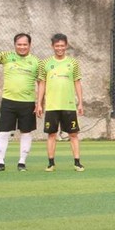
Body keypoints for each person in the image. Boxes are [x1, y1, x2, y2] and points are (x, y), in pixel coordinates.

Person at [0, 34, 40, 172]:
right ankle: (0, 162)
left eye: (25, 44)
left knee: (26, 132)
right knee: (4, 132)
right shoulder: (7, 56)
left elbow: (41, 83)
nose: (22, 47)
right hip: (8, 101)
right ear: (15, 45)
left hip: (28, 102)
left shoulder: (37, 62)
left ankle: (22, 162)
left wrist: (40, 103)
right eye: (19, 44)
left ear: (30, 45)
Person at [36, 33, 85, 172]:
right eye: (57, 46)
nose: (60, 48)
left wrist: (80, 102)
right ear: (52, 46)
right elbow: (41, 84)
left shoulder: (73, 63)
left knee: (73, 134)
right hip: (52, 105)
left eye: (62, 45)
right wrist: (39, 103)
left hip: (68, 105)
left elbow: (77, 82)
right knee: (51, 134)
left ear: (66, 45)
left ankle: (77, 162)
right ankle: (51, 163)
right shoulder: (45, 63)